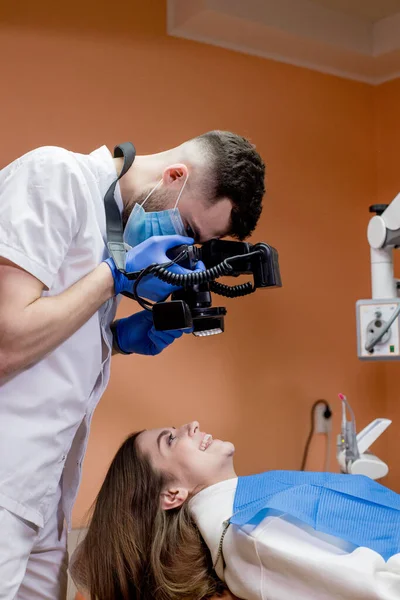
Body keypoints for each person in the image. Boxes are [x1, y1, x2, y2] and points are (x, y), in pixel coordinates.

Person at [0, 131, 265, 599]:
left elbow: (49, 356)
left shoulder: (110, 234)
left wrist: (114, 341)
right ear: (175, 177)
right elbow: (7, 342)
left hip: (43, 497)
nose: (182, 246)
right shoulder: (55, 177)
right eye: (187, 230)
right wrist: (112, 276)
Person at [71, 420, 400, 600]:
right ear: (172, 494)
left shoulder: (253, 504)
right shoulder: (252, 537)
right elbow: (380, 592)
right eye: (170, 440)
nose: (192, 424)